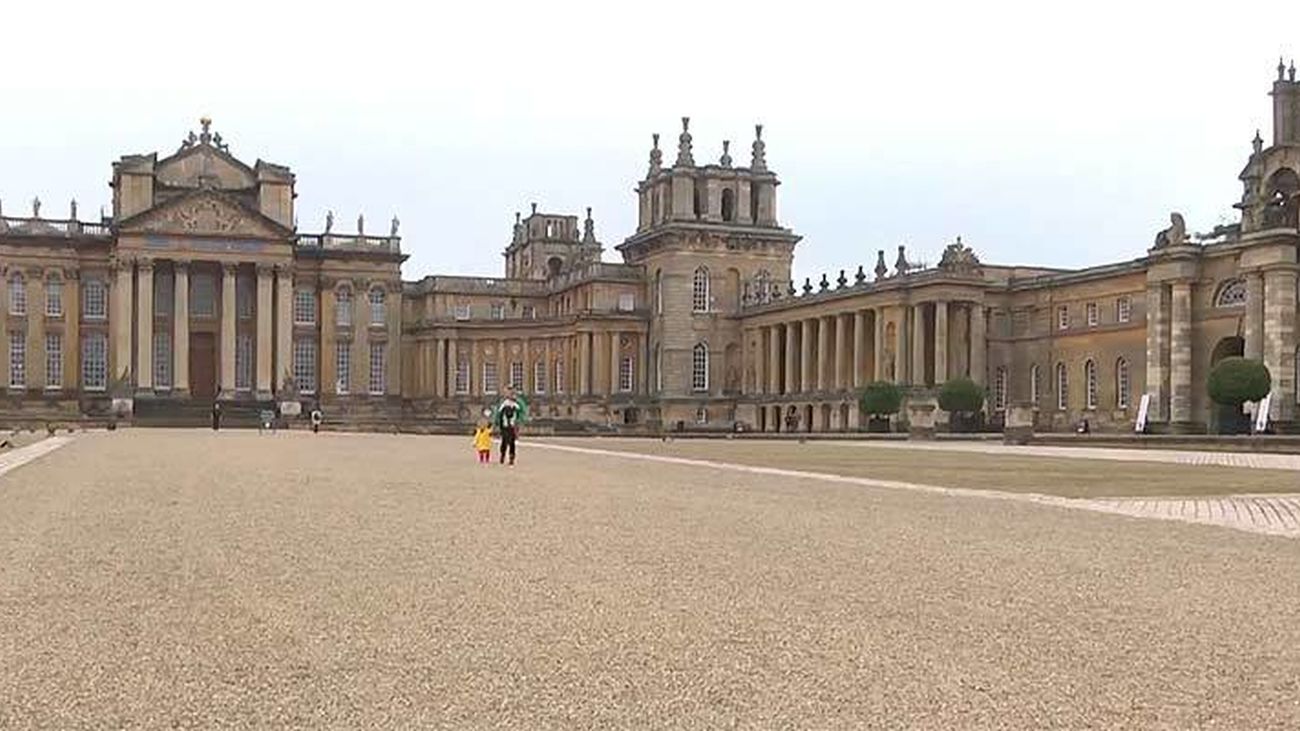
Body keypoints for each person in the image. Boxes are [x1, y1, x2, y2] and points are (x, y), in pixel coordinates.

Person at [495, 388, 521, 466]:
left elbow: (519, 415)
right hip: (505, 426)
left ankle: (511, 457)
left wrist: (517, 425)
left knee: (511, 442)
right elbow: (499, 415)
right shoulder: (504, 404)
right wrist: (499, 424)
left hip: (512, 426)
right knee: (504, 441)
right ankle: (503, 455)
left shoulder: (516, 405)